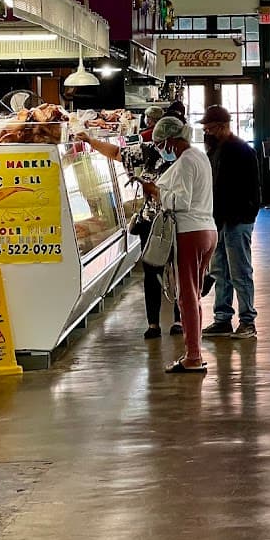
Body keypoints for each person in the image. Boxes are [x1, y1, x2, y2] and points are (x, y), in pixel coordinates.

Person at [77, 118, 217, 372]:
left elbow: (181, 201)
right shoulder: (200, 156)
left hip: (190, 231)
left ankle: (194, 356)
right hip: (207, 229)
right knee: (192, 294)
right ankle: (192, 352)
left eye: (162, 143)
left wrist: (155, 191)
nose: (161, 148)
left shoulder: (185, 161)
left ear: (171, 141)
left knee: (186, 296)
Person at [199, 106, 261, 340]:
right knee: (220, 271)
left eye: (211, 128)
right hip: (219, 220)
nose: (207, 132)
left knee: (240, 271)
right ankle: (222, 319)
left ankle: (247, 321)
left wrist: (247, 215)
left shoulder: (242, 151)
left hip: (237, 220)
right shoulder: (215, 150)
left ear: (223, 126)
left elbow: (253, 188)